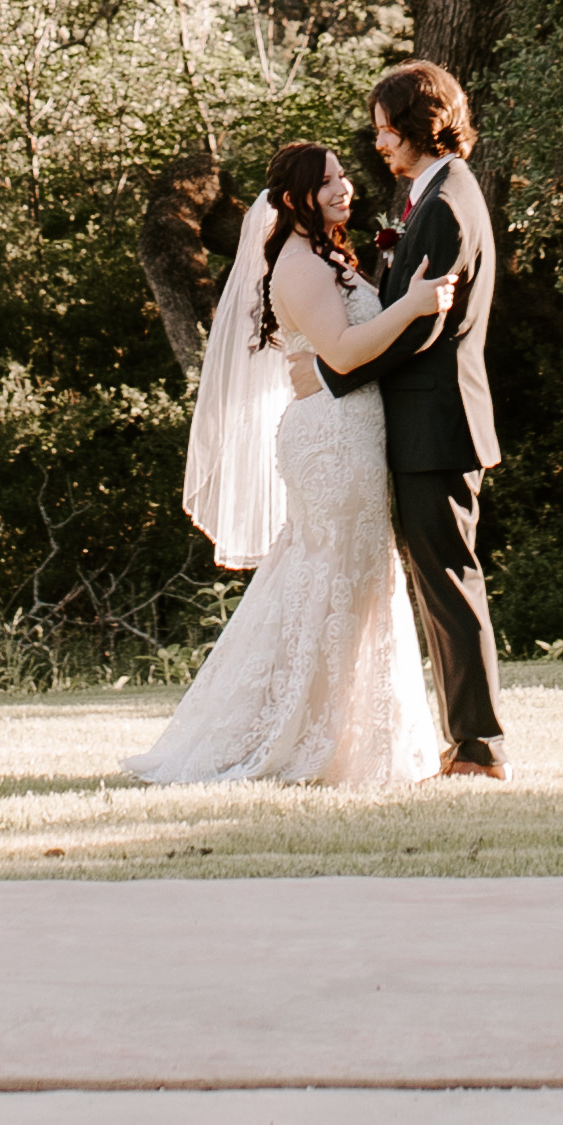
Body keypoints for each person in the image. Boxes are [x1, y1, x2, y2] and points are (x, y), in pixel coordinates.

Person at [121, 142, 449, 790]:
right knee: (333, 581)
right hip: (330, 438)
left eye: (342, 177)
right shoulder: (298, 266)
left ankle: (337, 730)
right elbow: (345, 352)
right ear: (294, 197)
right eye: (325, 182)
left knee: (347, 580)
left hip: (349, 432)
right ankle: (298, 736)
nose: (343, 188)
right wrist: (411, 304)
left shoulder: (331, 257)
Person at [349, 58, 514, 782]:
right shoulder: (431, 194)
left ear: (419, 126)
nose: (379, 142)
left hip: (435, 421)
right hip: (426, 421)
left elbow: (422, 329)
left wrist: (341, 369)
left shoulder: (447, 204)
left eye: (387, 129)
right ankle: (464, 740)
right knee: (440, 579)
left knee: (448, 579)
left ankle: (478, 747)